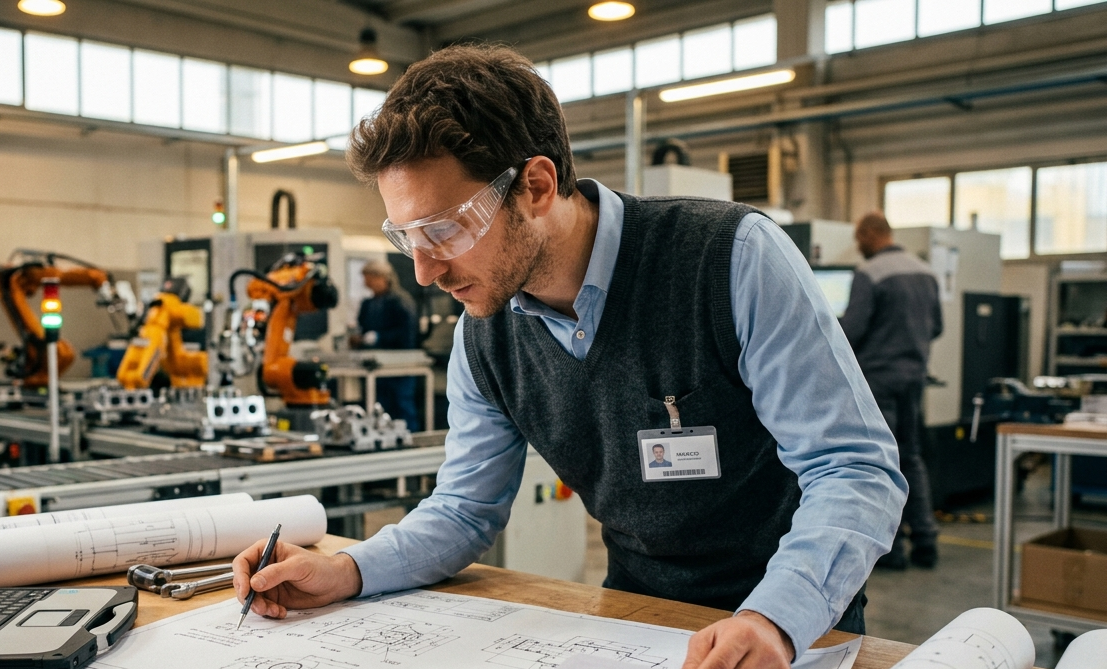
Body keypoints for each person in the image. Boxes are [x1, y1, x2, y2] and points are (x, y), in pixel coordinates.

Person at [232, 44, 906, 669]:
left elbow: (855, 469)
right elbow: (466, 507)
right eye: (405, 236)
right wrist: (348, 570)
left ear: (536, 185)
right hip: (636, 618)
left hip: (796, 625)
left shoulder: (728, 259)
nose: (423, 271)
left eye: (443, 229)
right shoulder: (485, 333)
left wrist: (773, 619)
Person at [839, 211, 943, 570]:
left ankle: (893, 550)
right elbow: (938, 326)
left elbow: (850, 330)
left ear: (871, 233)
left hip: (877, 380)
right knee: (911, 456)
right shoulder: (925, 270)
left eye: (859, 237)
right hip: (913, 377)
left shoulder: (870, 274)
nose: (857, 245)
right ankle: (926, 541)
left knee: (883, 461)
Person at [353, 259, 420, 431]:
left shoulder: (400, 301)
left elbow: (408, 334)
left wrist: (379, 337)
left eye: (369, 278)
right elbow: (363, 326)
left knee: (402, 405)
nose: (366, 283)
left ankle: (410, 443)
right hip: (376, 365)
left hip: (401, 365)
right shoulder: (368, 304)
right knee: (380, 407)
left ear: (382, 277)